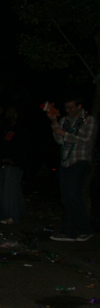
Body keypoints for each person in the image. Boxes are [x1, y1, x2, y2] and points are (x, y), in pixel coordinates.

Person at [49, 94, 96, 241]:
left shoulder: (89, 120)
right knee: (66, 198)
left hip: (80, 161)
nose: (68, 110)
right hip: (65, 162)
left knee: (73, 196)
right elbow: (59, 141)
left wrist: (66, 134)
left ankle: (86, 230)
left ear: (79, 106)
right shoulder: (64, 120)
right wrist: (55, 123)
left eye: (71, 107)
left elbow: (88, 141)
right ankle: (68, 232)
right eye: (66, 107)